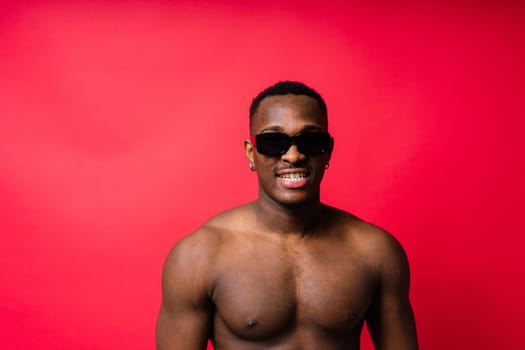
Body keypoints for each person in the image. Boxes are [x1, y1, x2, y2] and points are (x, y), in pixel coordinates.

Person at [156, 81, 418, 349]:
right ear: (251, 152)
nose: (294, 156)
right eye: (273, 142)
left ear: (328, 149)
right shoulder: (199, 256)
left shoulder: (374, 251)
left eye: (310, 141)